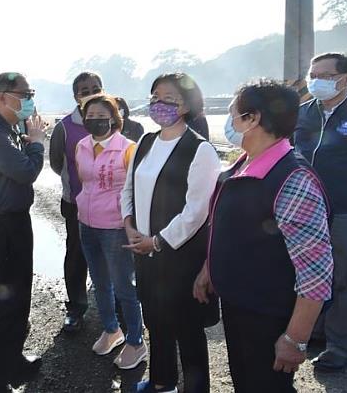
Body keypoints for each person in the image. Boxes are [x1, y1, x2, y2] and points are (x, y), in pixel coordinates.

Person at [195, 80, 333, 392]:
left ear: (252, 118)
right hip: (239, 306)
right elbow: (226, 228)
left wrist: (295, 339)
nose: (230, 118)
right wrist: (209, 269)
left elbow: (316, 275)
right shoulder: (244, 162)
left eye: (233, 111)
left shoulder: (293, 179)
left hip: (267, 317)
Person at [121, 72, 220, 393]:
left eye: (168, 99)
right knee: (156, 323)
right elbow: (128, 188)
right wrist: (129, 225)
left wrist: (157, 241)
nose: (158, 105)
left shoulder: (200, 149)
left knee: (187, 329)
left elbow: (196, 212)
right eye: (154, 98)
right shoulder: (145, 143)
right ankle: (163, 382)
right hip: (145, 253)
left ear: (187, 105)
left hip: (179, 257)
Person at [0, 72, 47, 392]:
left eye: (31, 93)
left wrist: (29, 141)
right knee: (8, 305)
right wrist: (38, 144)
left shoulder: (8, 125)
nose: (29, 100)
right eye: (24, 94)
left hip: (14, 221)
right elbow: (25, 171)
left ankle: (13, 361)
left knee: (20, 299)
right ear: (3, 97)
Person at [294, 52, 347, 371]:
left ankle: (342, 347)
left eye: (324, 74)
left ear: (345, 79)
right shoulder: (302, 114)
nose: (316, 80)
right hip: (307, 211)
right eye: (313, 74)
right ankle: (317, 330)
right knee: (311, 274)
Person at [75, 94, 147, 369]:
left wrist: (130, 224)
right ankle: (111, 328)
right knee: (100, 282)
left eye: (100, 115)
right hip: (87, 224)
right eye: (89, 115)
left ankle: (136, 341)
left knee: (124, 287)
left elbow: (133, 191)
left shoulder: (128, 148)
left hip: (115, 228)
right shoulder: (81, 146)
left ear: (115, 118)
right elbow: (84, 181)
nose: (94, 120)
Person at [48, 71, 102, 331]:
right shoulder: (64, 127)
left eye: (96, 88)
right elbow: (57, 163)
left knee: (110, 257)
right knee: (77, 256)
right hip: (76, 205)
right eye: (85, 90)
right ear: (75, 96)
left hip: (110, 206)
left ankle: (112, 309)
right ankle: (77, 308)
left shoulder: (114, 122)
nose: (91, 93)